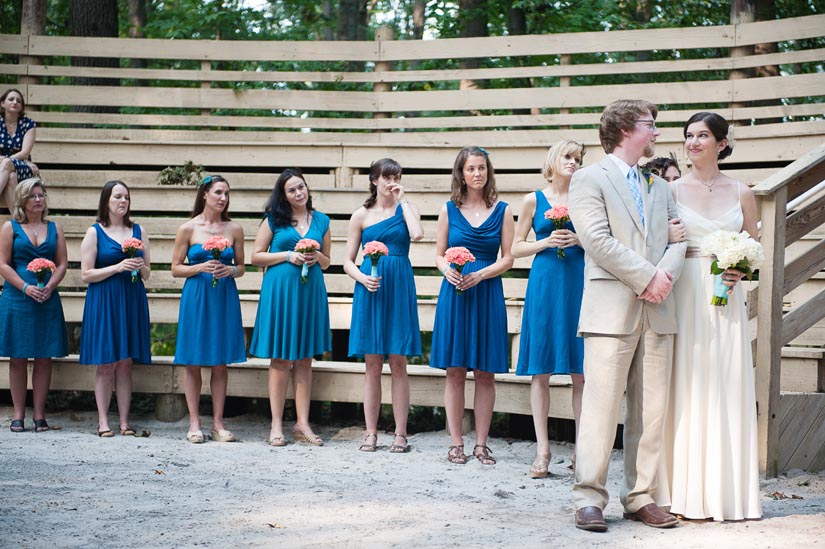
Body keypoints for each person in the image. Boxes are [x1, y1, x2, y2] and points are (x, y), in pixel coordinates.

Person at [568, 99, 686, 532]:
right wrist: (646, 277)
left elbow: (680, 237)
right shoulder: (587, 178)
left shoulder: (658, 183)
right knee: (600, 408)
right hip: (610, 311)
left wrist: (663, 277)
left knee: (651, 410)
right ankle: (588, 499)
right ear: (624, 130)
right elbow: (596, 240)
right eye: (649, 125)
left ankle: (640, 496)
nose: (655, 132)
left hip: (659, 308)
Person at [656, 112, 762, 521]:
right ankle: (681, 492)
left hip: (727, 296)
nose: (693, 142)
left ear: (722, 142)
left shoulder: (742, 192)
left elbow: (755, 247)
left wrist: (744, 267)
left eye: (702, 135)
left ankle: (727, 494)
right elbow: (657, 240)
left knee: (726, 380)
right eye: (688, 136)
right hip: (685, 292)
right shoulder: (671, 190)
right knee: (687, 381)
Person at [431, 146, 515, 465]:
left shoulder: (503, 209)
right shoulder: (448, 209)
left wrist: (481, 273)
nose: (477, 173)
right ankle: (455, 443)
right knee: (454, 370)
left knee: (485, 373)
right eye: (471, 169)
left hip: (487, 288)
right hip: (455, 292)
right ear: (461, 174)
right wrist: (447, 270)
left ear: (488, 172)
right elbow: (438, 254)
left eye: (482, 168)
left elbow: (508, 258)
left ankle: (481, 444)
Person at [512, 140, 586, 478]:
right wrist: (546, 241)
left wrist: (578, 240)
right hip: (544, 286)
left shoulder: (587, 197)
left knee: (581, 373)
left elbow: (605, 240)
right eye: (568, 157)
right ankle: (542, 451)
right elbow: (515, 247)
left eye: (578, 159)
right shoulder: (533, 200)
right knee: (540, 370)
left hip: (579, 286)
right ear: (553, 160)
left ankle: (582, 451)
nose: (573, 163)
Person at [344, 158, 424, 453]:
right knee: (372, 365)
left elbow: (417, 235)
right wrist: (363, 278)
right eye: (387, 177)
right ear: (374, 180)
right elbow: (346, 261)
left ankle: (401, 433)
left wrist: (403, 202)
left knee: (398, 362)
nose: (393, 182)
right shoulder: (360, 216)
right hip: (371, 287)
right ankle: (370, 432)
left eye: (397, 176)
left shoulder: (408, 209)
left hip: (399, 285)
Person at [249, 169, 331, 447]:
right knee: (281, 359)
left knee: (306, 358)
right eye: (292, 190)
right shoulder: (274, 219)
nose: (299, 193)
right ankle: (275, 424)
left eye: (301, 187)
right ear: (283, 196)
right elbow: (256, 256)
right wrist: (288, 255)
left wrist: (316, 255)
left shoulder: (321, 220)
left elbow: (327, 262)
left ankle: (302, 422)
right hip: (280, 291)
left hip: (310, 292)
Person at [171, 175, 246, 444]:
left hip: (224, 296)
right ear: (204, 194)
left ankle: (217, 423)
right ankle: (194, 421)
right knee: (192, 361)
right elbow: (175, 268)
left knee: (220, 362)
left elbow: (242, 268)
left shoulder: (234, 228)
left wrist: (230, 270)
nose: (223, 198)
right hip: (197, 295)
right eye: (218, 192)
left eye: (226, 193)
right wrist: (200, 267)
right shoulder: (188, 229)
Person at [79, 180, 152, 438]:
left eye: (126, 198)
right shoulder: (94, 232)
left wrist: (138, 265)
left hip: (131, 299)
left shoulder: (138, 231)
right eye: (117, 197)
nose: (123, 202)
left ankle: (124, 421)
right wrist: (117, 267)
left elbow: (147, 273)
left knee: (125, 362)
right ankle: (102, 421)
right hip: (105, 299)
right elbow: (86, 274)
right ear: (106, 201)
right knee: (106, 363)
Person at [0, 177, 68, 432]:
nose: (39, 200)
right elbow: (3, 264)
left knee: (44, 357)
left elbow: (62, 263)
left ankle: (40, 415)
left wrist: (50, 286)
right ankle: (18, 414)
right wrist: (26, 287)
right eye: (33, 196)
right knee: (17, 357)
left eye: (41, 195)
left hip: (47, 297)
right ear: (22, 200)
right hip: (18, 297)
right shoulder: (11, 228)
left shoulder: (55, 228)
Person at [0, 89, 38, 210]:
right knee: (11, 178)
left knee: (7, 164)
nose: (15, 102)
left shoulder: (28, 124)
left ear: (21, 107)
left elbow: (25, 153)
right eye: (11, 99)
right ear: (2, 103)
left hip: (22, 166)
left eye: (18, 101)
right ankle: (17, 222)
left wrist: (7, 161)